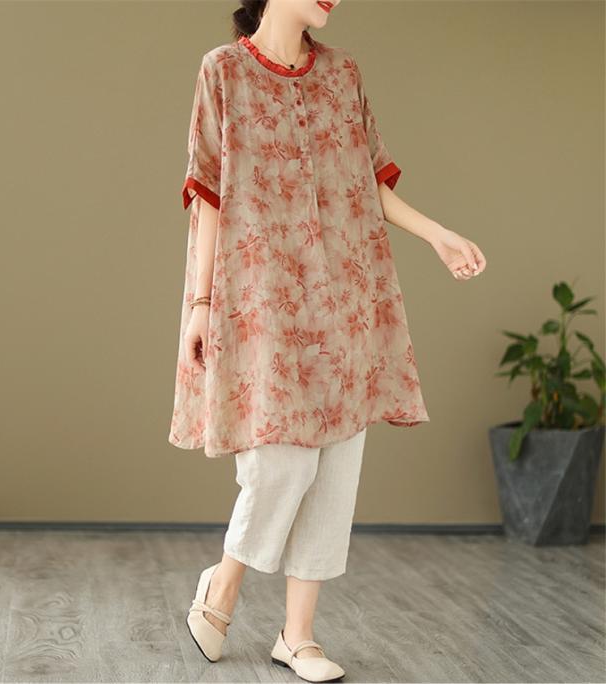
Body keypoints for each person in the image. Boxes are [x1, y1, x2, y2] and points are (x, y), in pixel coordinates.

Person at [172, 0, 487, 681]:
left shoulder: (343, 75)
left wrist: (437, 234)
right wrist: (200, 304)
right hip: (260, 295)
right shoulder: (222, 71)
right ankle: (223, 585)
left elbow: (371, 181)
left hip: (344, 292)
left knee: (337, 465)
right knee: (281, 465)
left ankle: (299, 636)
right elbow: (209, 194)